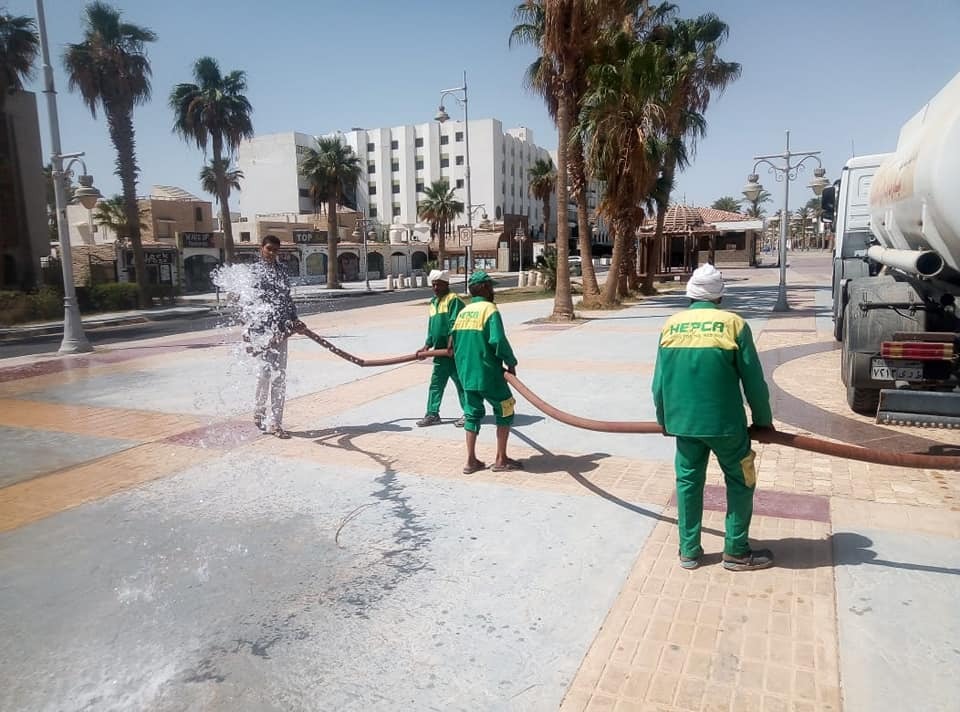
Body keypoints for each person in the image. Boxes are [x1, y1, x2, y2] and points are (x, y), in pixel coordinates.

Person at [651, 263, 775, 571]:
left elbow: (658, 384)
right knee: (741, 481)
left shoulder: (670, 326)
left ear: (690, 294)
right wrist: (763, 421)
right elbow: (754, 383)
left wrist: (664, 420)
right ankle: (736, 551)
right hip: (727, 427)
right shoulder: (734, 325)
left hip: (684, 425)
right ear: (720, 297)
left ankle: (689, 551)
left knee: (688, 483)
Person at [451, 270, 523, 475]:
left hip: (466, 374)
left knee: (472, 414)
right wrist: (511, 362)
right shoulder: (489, 310)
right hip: (488, 373)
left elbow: (453, 343)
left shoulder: (463, 312)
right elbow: (497, 340)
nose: (493, 290)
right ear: (483, 288)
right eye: (490, 286)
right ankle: (501, 459)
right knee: (506, 408)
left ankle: (471, 461)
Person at [247, 235, 305, 439]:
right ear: (261, 248)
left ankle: (276, 423)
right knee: (264, 374)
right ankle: (259, 411)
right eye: (269, 249)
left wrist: (295, 320)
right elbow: (249, 304)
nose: (272, 253)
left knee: (279, 376)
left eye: (275, 250)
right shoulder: (253, 272)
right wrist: (253, 332)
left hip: (281, 331)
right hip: (261, 332)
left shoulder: (281, 271)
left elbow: (287, 299)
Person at [416, 269, 466, 427]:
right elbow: (432, 328)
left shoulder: (453, 300)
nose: (435, 288)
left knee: (462, 383)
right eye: (433, 285)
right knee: (436, 384)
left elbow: (455, 323)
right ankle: (432, 414)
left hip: (454, 353)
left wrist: (451, 343)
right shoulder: (433, 302)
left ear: (446, 284)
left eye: (439, 284)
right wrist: (426, 345)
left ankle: (469, 413)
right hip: (440, 354)